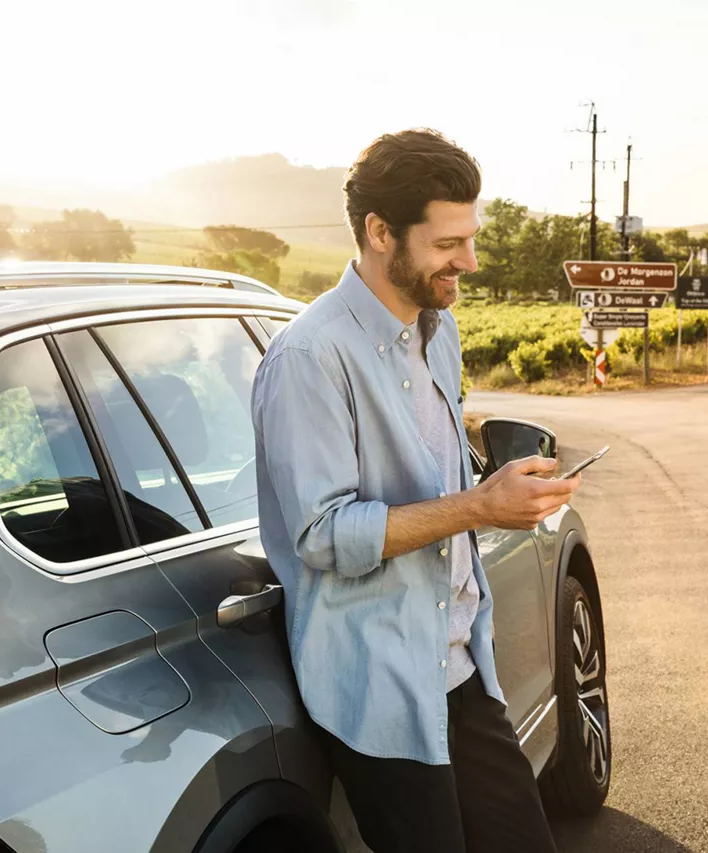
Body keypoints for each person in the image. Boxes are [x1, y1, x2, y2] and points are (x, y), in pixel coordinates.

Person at [251, 129, 581, 853]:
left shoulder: (443, 330)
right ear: (379, 232)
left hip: (460, 662)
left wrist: (502, 494)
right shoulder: (309, 357)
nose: (467, 260)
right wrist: (478, 506)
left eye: (469, 238)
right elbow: (325, 535)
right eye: (447, 243)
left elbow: (441, 475)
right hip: (381, 689)